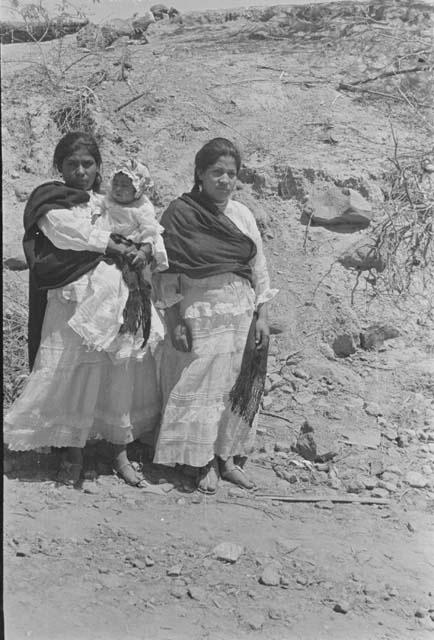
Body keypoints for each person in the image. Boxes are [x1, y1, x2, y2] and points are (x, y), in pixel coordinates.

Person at [4, 131, 162, 488]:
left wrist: (146, 248)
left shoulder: (110, 202)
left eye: (87, 164)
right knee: (67, 370)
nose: (80, 170)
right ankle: (70, 452)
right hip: (70, 300)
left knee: (116, 371)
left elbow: (145, 228)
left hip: (111, 301)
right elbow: (65, 235)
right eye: (72, 164)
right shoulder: (52, 201)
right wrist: (115, 246)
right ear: (59, 167)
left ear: (98, 167)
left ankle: (118, 450)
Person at [153, 137, 277, 494]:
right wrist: (174, 321)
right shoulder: (180, 213)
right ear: (200, 174)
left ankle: (228, 456)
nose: (224, 180)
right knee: (200, 384)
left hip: (240, 311)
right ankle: (200, 461)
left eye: (231, 174)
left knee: (232, 385)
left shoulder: (241, 215)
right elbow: (165, 273)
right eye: (217, 172)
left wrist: (263, 316)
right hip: (200, 309)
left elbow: (259, 268)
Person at [68, 158, 168, 358]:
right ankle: (96, 327)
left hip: (129, 250)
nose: (118, 189)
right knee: (99, 285)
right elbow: (97, 209)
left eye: (125, 185)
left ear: (137, 190)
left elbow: (150, 232)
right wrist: (96, 217)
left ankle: (126, 332)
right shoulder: (107, 200)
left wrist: (143, 251)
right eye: (116, 184)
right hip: (106, 247)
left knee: (126, 290)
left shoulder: (142, 207)